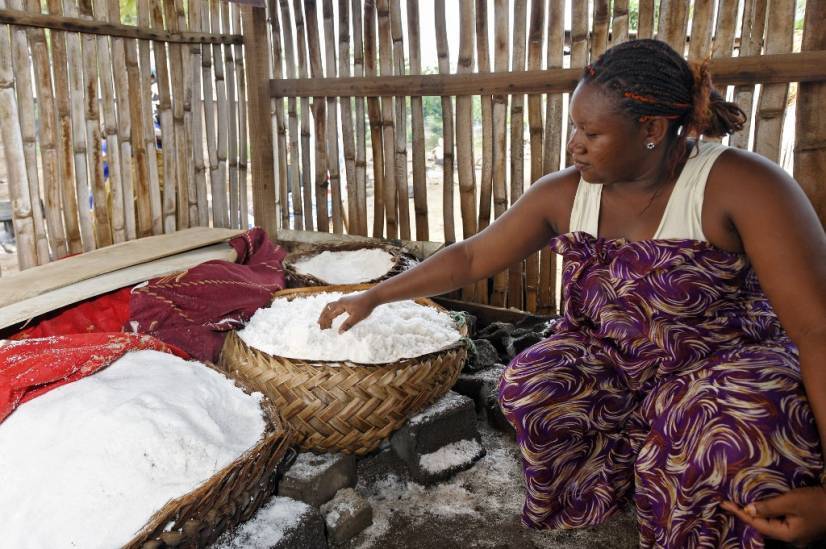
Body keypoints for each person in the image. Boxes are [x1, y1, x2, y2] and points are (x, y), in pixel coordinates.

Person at [318, 39, 826, 547]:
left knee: (724, 438)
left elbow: (816, 330)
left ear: (650, 129)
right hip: (612, 359)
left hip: (719, 362)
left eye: (592, 132)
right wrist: (376, 296)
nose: (573, 145)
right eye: (573, 128)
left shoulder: (742, 185)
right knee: (530, 387)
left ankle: (698, 506)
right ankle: (628, 485)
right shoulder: (565, 193)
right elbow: (471, 257)